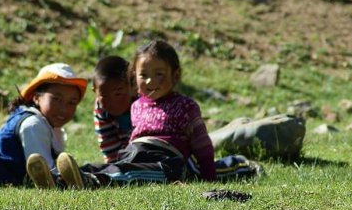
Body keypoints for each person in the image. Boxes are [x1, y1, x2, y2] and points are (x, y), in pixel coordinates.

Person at [27, 40, 260, 189]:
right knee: (107, 165)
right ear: (134, 78)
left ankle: (92, 182)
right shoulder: (137, 105)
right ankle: (58, 178)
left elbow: (203, 146)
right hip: (135, 152)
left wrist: (208, 179)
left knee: (130, 174)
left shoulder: (186, 106)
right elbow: (129, 141)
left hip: (168, 164)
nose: (150, 81)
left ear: (175, 75)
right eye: (143, 74)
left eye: (159, 74)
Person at [92, 55, 137, 163]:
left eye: (118, 94)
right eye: (105, 96)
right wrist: (115, 164)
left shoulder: (142, 103)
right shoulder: (101, 109)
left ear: (132, 87)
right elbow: (107, 140)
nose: (112, 102)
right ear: (95, 92)